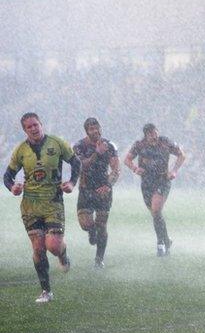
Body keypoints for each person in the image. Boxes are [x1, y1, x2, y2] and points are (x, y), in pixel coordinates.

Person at [3, 112, 81, 303]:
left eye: (35, 125)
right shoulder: (20, 150)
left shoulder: (56, 143)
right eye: (29, 127)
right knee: (38, 249)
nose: (33, 129)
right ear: (25, 130)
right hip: (30, 205)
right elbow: (8, 175)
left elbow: (76, 162)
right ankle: (46, 291)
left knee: (52, 246)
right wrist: (13, 187)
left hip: (53, 202)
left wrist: (71, 182)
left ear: (41, 124)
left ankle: (62, 254)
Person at [124, 123, 185, 257]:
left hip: (162, 180)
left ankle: (160, 243)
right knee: (155, 214)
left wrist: (174, 170)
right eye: (151, 134)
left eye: (155, 132)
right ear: (146, 136)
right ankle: (167, 240)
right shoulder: (139, 145)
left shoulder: (165, 142)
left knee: (156, 209)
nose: (154, 136)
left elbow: (181, 155)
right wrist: (135, 168)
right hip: (146, 182)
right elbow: (127, 159)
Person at [73, 118, 120, 268]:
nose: (96, 131)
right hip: (86, 189)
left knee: (102, 226)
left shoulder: (110, 145)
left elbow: (116, 169)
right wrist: (96, 153)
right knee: (85, 224)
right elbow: (81, 166)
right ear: (87, 131)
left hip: (103, 190)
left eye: (97, 128)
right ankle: (91, 231)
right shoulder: (79, 146)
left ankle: (99, 260)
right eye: (92, 129)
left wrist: (108, 185)